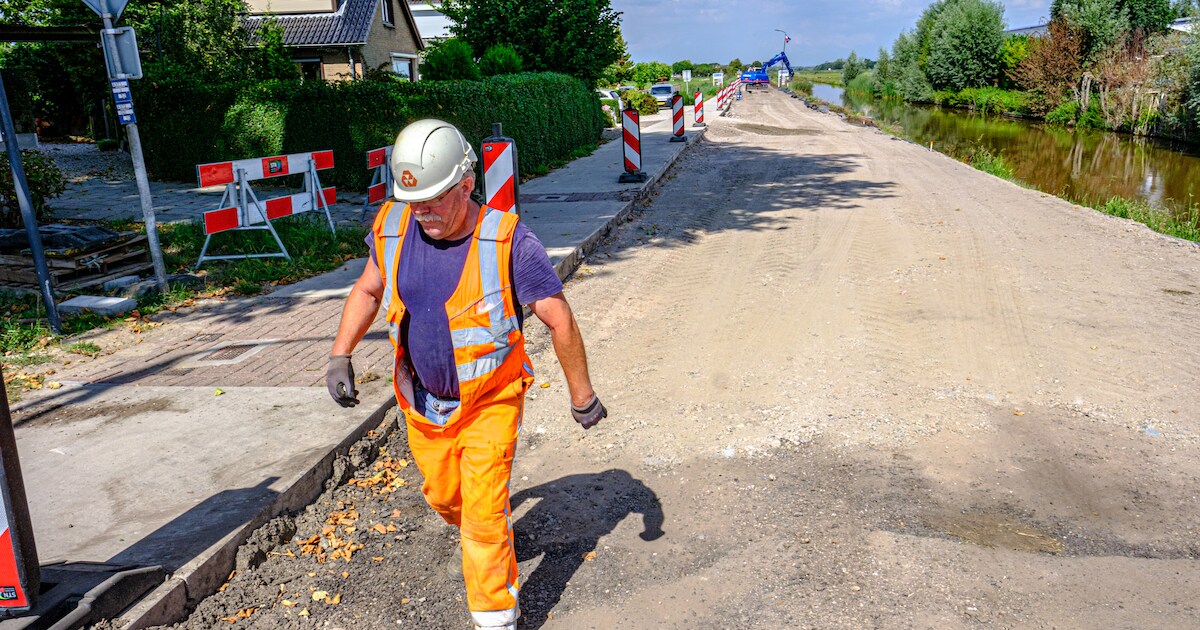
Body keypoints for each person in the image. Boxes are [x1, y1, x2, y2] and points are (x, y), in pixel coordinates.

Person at [325, 119, 606, 630]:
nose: (423, 211)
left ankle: (496, 612)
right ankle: (490, 534)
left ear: (467, 183)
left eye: (434, 198)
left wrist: (582, 395)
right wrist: (340, 353)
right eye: (415, 201)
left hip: (491, 401)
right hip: (423, 402)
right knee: (444, 497)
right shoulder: (392, 225)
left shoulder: (508, 241)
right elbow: (369, 289)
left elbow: (557, 314)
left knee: (481, 512)